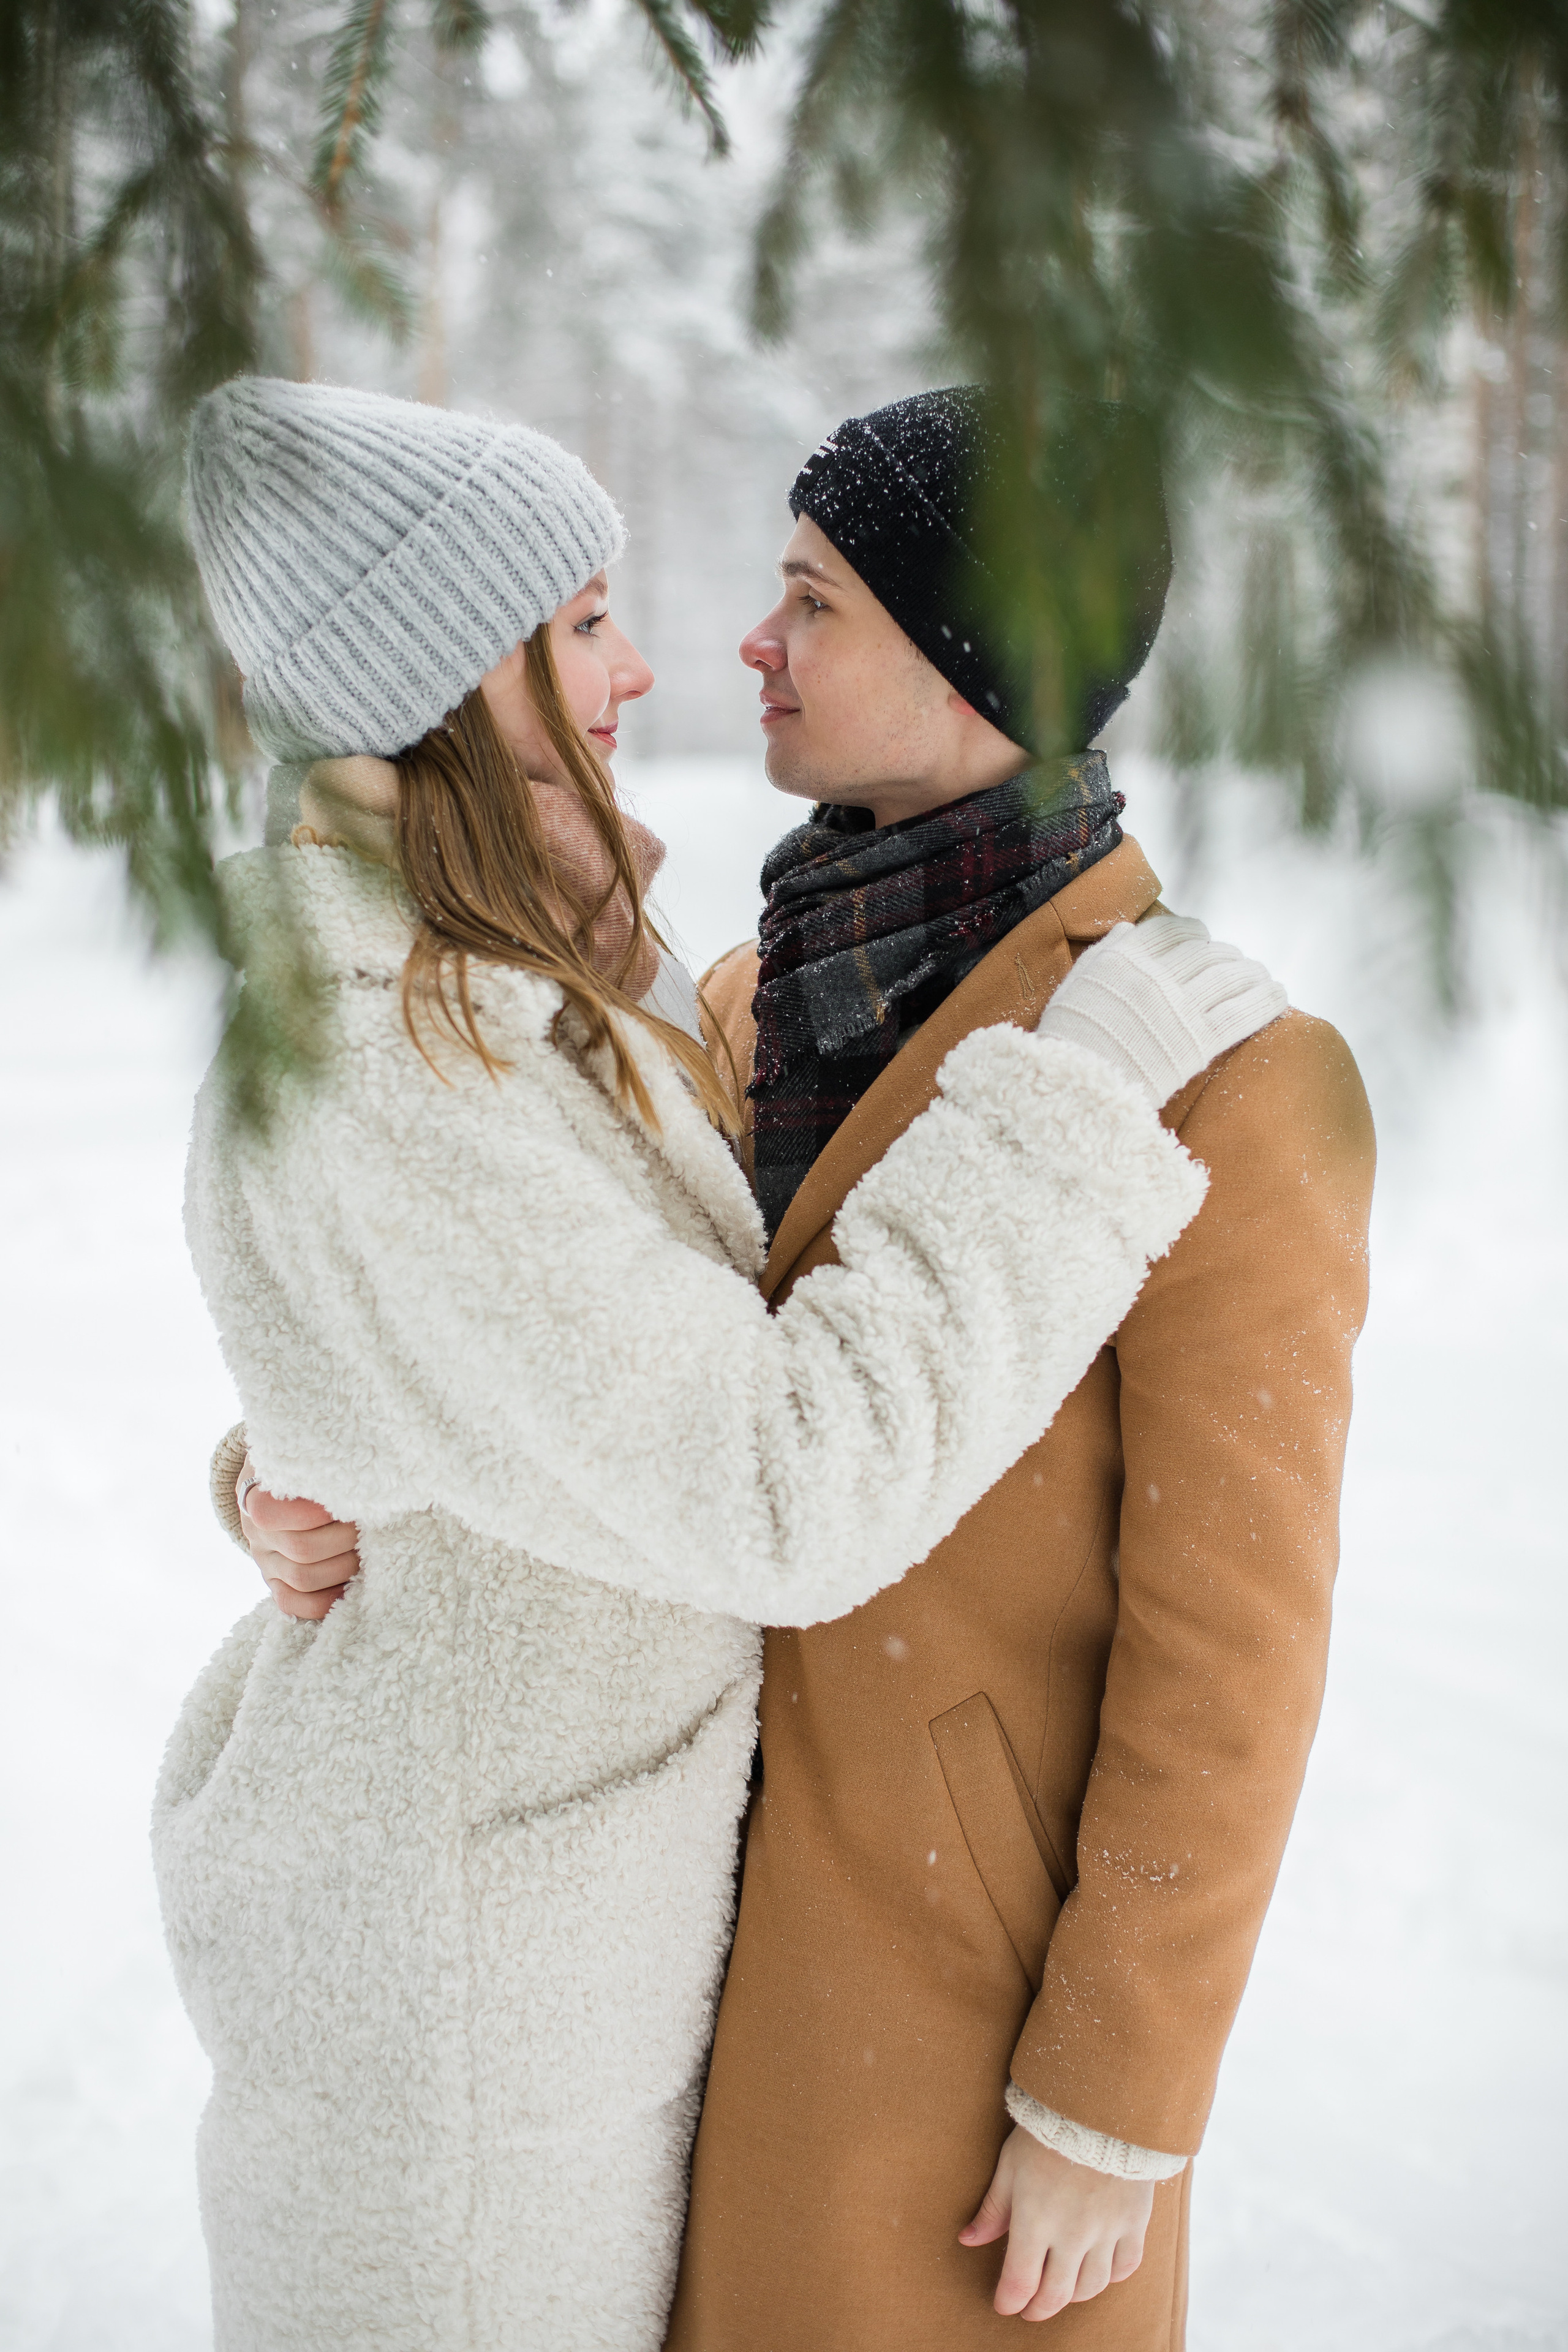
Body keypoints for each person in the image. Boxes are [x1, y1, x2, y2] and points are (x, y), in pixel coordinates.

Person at [155, 374, 1286, 2352]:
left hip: (753, 1955)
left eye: (812, 599)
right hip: (503, 2012)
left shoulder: (1206, 1078)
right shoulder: (555, 1013)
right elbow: (705, 1436)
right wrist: (308, 1445)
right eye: (585, 623)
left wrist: (1126, 2083)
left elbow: (1237, 1637)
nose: (680, 658)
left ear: (970, 661)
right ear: (451, 679)